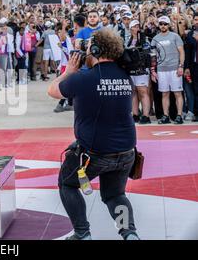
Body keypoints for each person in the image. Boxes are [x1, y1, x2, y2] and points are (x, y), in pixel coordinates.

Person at [48, 28, 139, 241]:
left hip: (94, 153)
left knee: (67, 184)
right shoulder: (125, 77)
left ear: (96, 49)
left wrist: (69, 70)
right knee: (115, 195)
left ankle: (82, 233)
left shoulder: (83, 78)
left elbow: (52, 90)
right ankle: (129, 233)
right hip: (126, 151)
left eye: (89, 47)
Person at [151, 16, 185, 124]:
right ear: (158, 25)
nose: (163, 26)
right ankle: (165, 116)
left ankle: (179, 116)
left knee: (177, 93)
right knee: (164, 94)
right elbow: (153, 56)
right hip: (161, 70)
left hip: (174, 69)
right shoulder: (155, 38)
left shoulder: (175, 36)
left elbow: (181, 52)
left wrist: (181, 66)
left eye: (165, 24)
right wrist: (153, 70)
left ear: (169, 25)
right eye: (161, 24)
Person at [127, 20, 151, 124]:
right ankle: (135, 114)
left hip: (141, 69)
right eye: (134, 26)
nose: (137, 28)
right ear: (130, 28)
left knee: (143, 91)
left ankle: (146, 115)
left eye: (138, 26)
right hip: (130, 69)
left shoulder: (145, 39)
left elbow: (147, 53)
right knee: (133, 92)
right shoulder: (127, 40)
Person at [184, 13, 198, 121]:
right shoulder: (190, 34)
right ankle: (196, 113)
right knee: (195, 89)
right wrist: (187, 67)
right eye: (196, 19)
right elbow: (187, 52)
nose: (197, 21)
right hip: (194, 66)